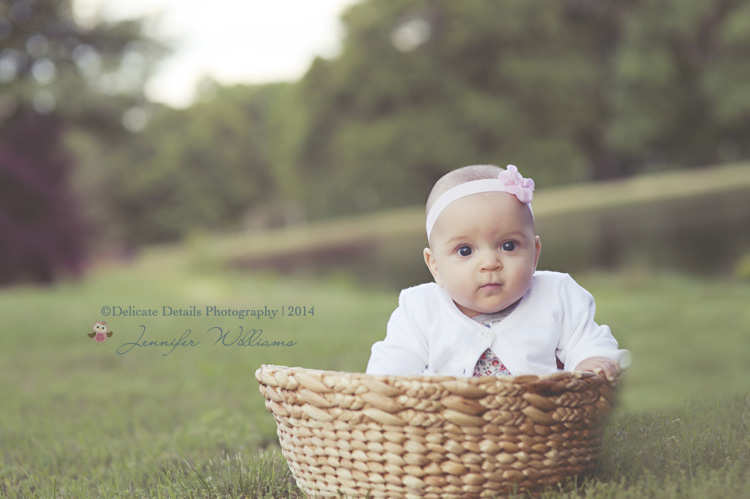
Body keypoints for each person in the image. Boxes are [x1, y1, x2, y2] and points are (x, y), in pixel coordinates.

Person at [366, 164, 629, 381]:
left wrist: (590, 359)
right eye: (466, 251)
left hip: (541, 423)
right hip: (451, 429)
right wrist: (392, 386)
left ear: (535, 253)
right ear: (434, 265)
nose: (490, 263)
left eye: (508, 246)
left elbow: (587, 339)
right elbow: (392, 366)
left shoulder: (556, 294)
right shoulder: (420, 310)